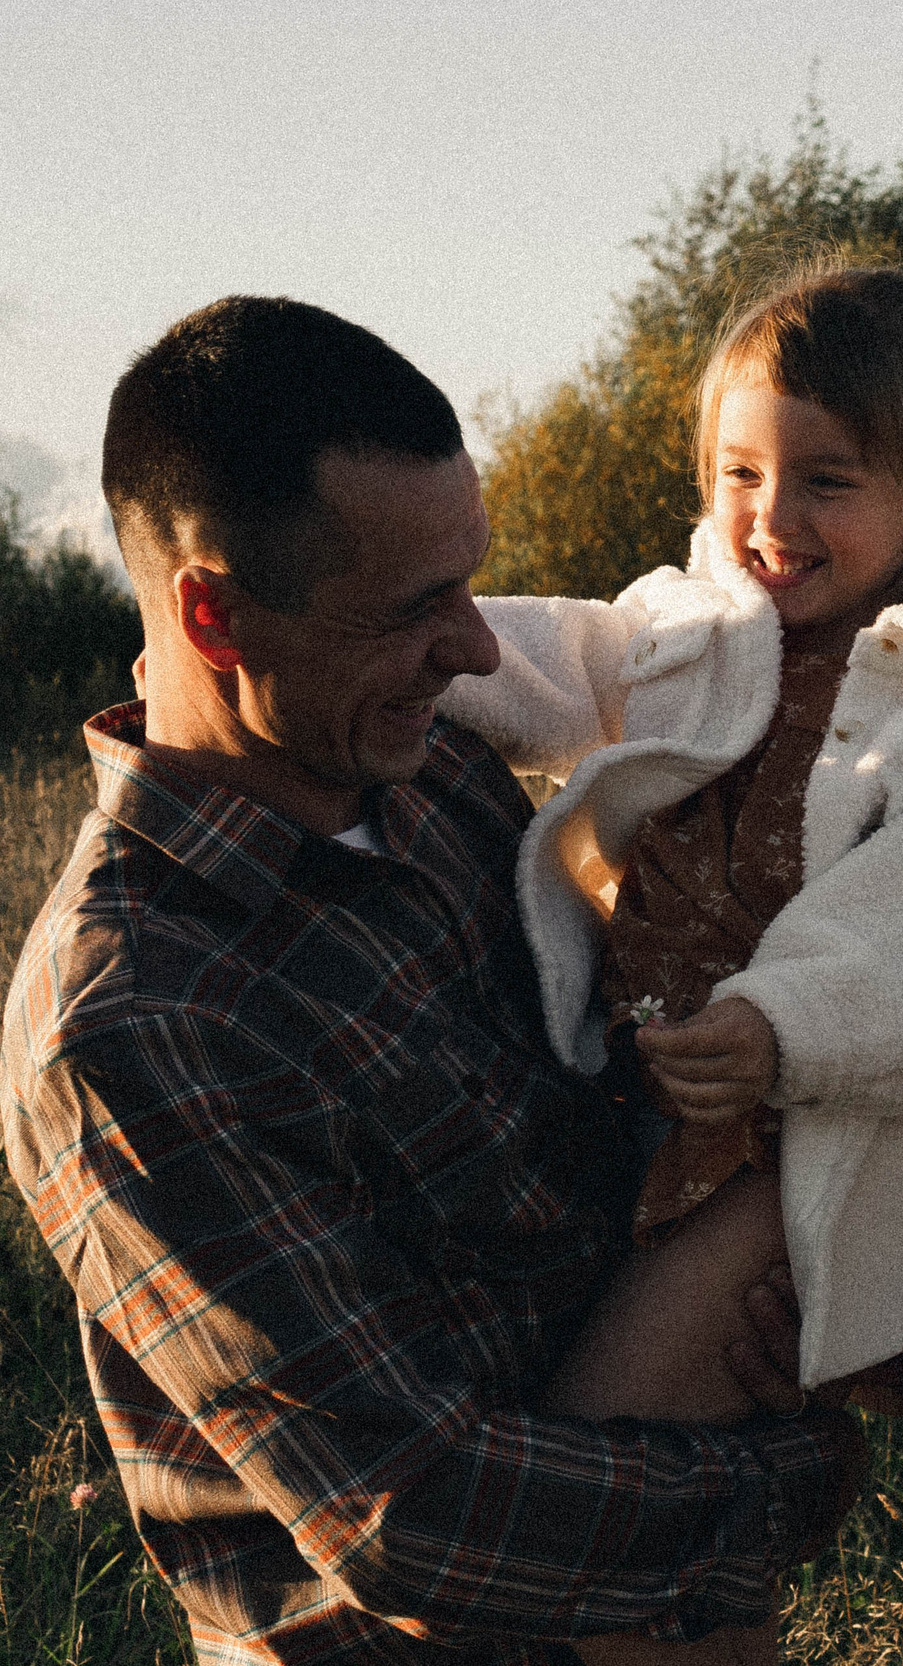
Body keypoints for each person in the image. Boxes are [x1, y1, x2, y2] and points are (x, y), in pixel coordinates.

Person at [0, 296, 859, 1666]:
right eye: (412, 610)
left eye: (468, 583)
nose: (476, 649)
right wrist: (791, 1473)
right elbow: (415, 1515)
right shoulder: (138, 1017)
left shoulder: (432, 773)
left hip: (665, 1578)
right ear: (215, 613)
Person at [435, 262, 903, 1662]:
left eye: (827, 481)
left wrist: (780, 1020)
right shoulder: (685, 634)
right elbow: (538, 653)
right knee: (703, 1547)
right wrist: (364, 641)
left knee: (605, 1476)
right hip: (638, 1114)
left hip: (802, 1151)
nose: (772, 517)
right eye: (740, 472)